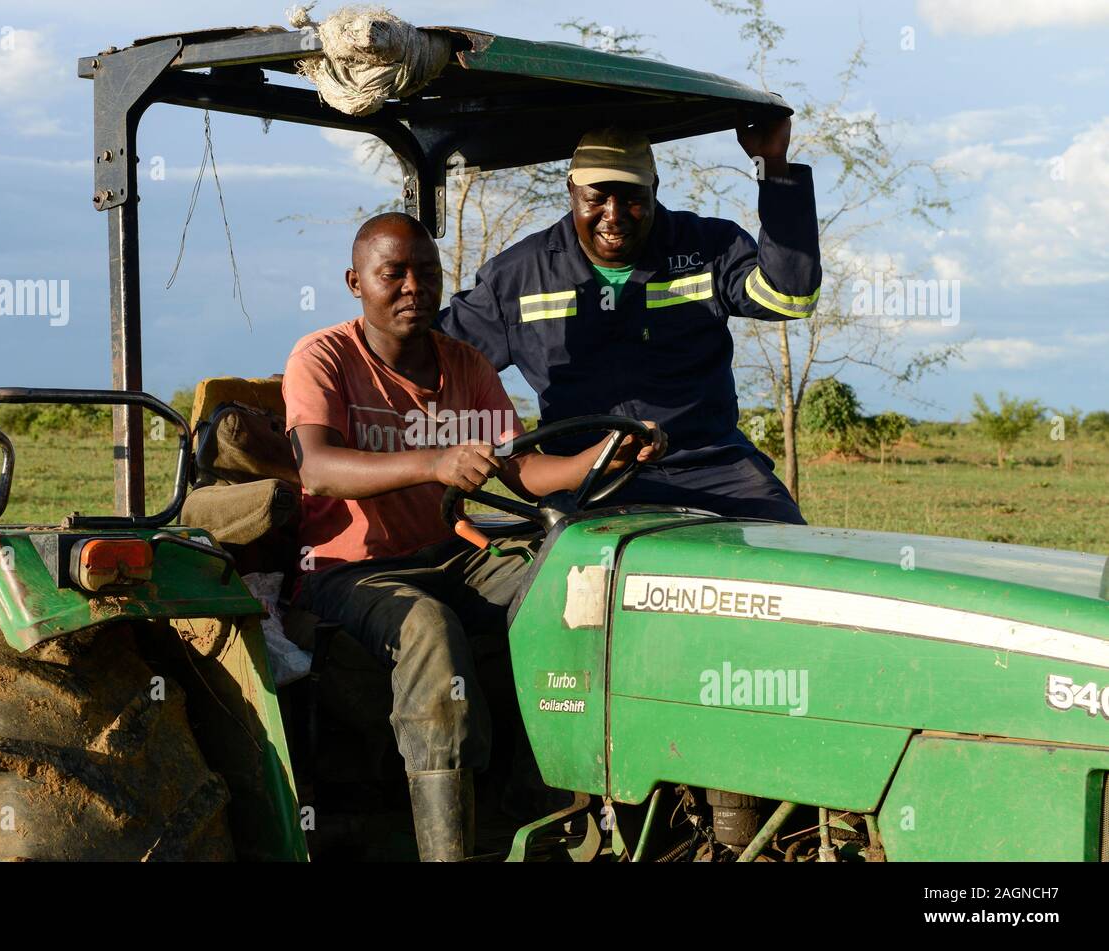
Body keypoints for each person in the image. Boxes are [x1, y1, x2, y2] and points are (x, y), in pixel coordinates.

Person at [282, 212, 662, 861]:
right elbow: (316, 468)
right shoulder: (324, 356)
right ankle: (448, 843)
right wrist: (431, 461)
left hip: (452, 554)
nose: (411, 287)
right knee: (427, 627)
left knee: (578, 579)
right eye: (392, 273)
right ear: (355, 282)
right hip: (349, 571)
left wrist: (601, 456)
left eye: (426, 273)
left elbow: (518, 470)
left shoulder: (465, 363)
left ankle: (543, 798)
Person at [437, 123, 822, 523]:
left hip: (714, 468)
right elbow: (434, 358)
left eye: (632, 199)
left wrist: (773, 165)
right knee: (588, 576)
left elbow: (788, 297)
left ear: (654, 189)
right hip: (588, 478)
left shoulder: (709, 247)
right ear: (571, 191)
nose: (614, 216)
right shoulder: (517, 277)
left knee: (789, 558)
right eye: (597, 198)